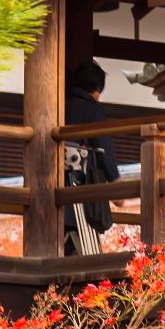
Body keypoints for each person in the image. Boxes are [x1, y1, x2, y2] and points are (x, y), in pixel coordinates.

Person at [60, 61, 118, 255]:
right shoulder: (92, 109)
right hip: (79, 192)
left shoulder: (59, 103)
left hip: (52, 191)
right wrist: (115, 183)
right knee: (83, 247)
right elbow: (103, 150)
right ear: (96, 89)